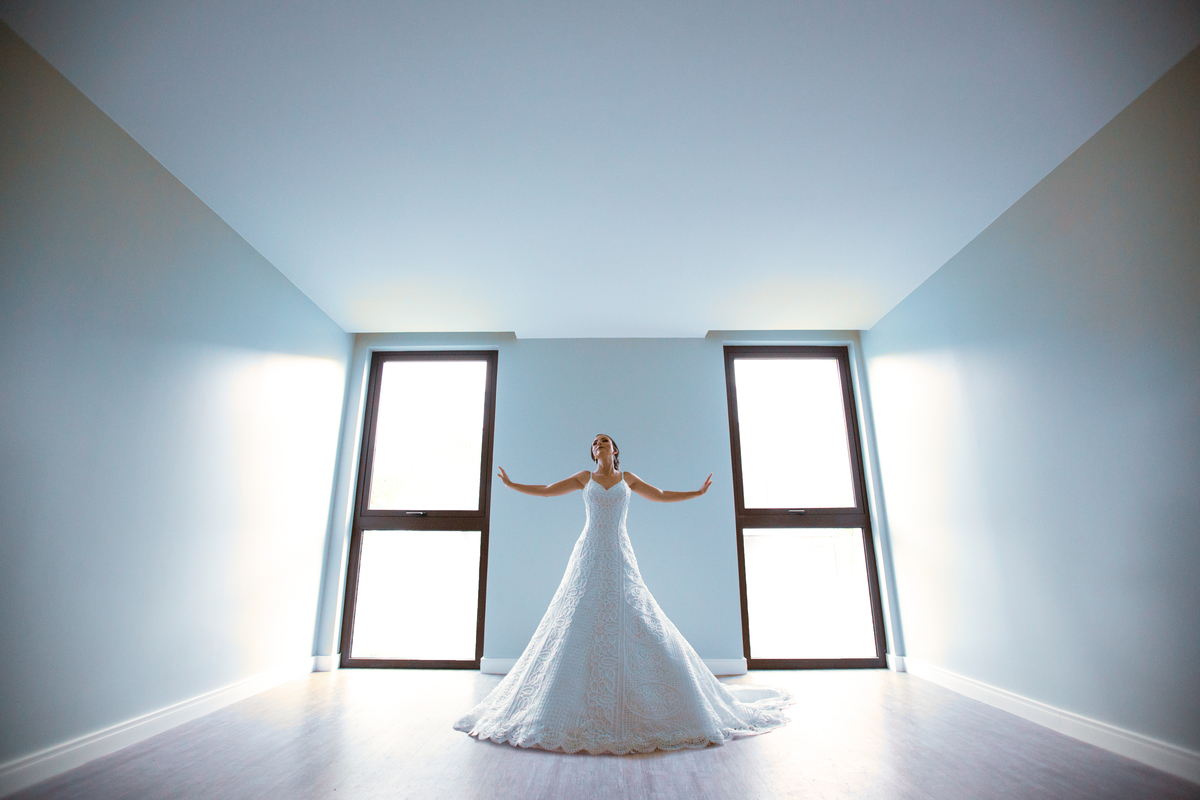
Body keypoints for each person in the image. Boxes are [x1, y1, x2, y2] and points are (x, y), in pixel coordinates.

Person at [453, 434, 792, 754]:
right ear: (593, 453)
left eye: (605, 441)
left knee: (636, 613)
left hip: (618, 552)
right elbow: (545, 490)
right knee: (576, 618)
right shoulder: (584, 478)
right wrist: (512, 484)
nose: (600, 444)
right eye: (595, 442)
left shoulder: (627, 478)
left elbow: (659, 493)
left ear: (614, 450)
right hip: (589, 552)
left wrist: (696, 494)